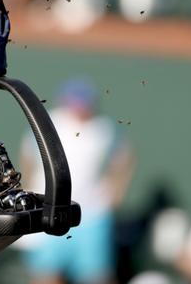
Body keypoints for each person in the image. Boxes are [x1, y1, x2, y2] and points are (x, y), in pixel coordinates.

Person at [18, 78, 135, 284]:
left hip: (91, 214)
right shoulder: (48, 123)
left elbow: (124, 158)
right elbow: (26, 155)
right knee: (46, 276)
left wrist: (115, 193)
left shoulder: (104, 129)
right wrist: (28, 188)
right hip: (49, 211)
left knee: (96, 276)